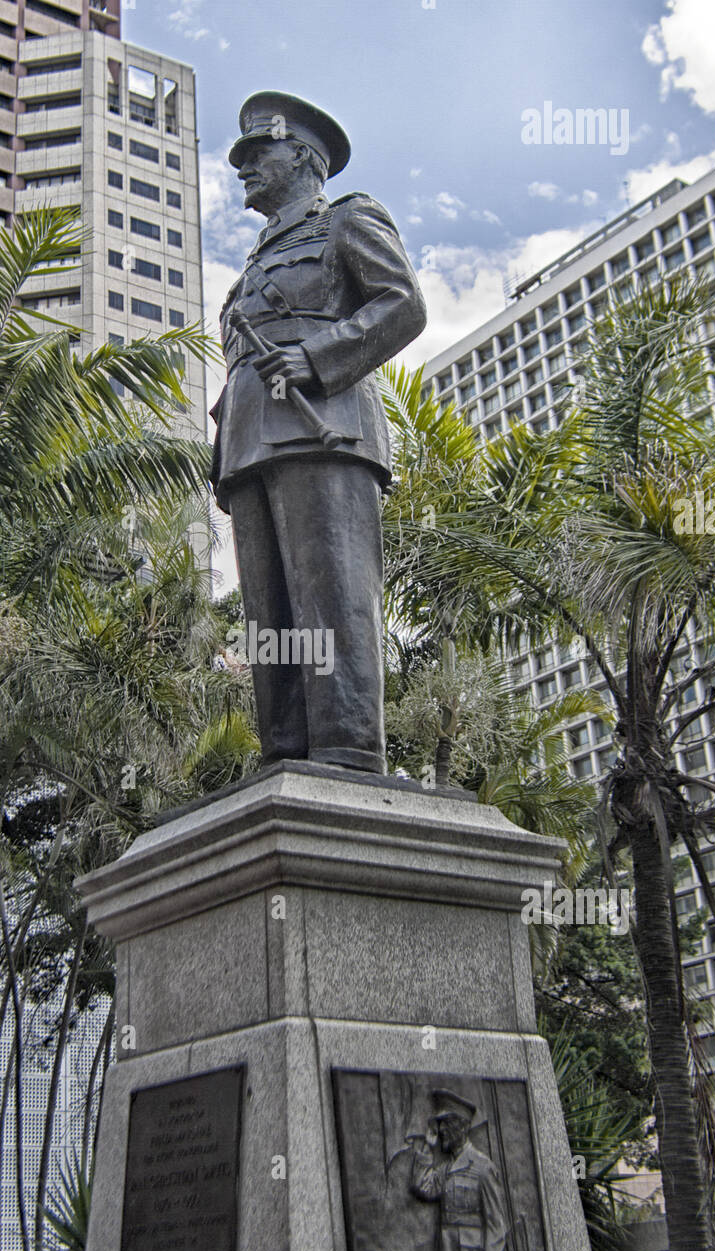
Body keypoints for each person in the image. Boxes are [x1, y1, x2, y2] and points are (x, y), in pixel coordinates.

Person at [211, 91, 426, 773]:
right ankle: (285, 752)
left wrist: (315, 357)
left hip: (323, 424)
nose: (243, 167)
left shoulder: (345, 220)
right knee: (268, 610)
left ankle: (347, 749)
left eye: (258, 152)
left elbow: (403, 303)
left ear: (303, 156)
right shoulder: (255, 262)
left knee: (331, 593)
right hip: (250, 437)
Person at [407, 1090, 509, 1251]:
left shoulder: (482, 1167)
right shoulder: (447, 1167)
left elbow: (496, 1224)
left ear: (461, 1126)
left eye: (445, 1123)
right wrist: (427, 1149)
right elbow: (422, 1188)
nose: (441, 1130)